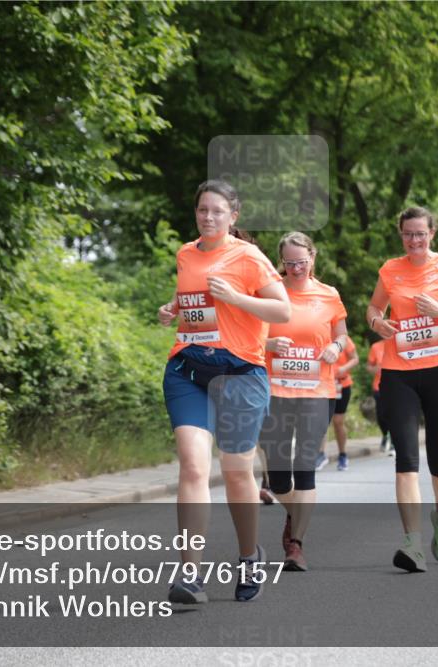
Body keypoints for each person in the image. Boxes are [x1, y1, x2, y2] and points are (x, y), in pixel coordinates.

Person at [158, 180, 291, 603]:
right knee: (193, 467)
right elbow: (191, 299)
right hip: (188, 370)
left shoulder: (248, 256)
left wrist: (236, 297)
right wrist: (172, 309)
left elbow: (282, 309)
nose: (208, 217)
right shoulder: (185, 253)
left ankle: (249, 556)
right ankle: (190, 574)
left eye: (217, 211)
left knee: (236, 473)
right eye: (203, 210)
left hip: (240, 374)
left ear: (233, 216)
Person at [367, 206, 438, 572]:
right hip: (398, 373)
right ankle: (413, 543)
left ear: (432, 233)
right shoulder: (390, 269)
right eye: (408, 234)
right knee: (405, 459)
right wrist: (377, 323)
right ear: (401, 235)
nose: (414, 240)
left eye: (420, 233)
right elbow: (374, 308)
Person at [259, 232, 348, 571]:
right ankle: (296, 514)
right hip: (275, 392)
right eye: (289, 263)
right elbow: (246, 333)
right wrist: (268, 345)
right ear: (281, 262)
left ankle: (295, 545)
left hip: (317, 392)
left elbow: (342, 334)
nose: (296, 269)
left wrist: (336, 347)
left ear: (313, 257)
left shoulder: (329, 294)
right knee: (279, 477)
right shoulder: (268, 293)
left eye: (301, 262)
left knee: (305, 465)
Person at [330, 335, 360, 470]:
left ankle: (342, 454)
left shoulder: (344, 338)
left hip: (341, 384)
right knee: (320, 421)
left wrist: (343, 368)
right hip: (322, 384)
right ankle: (319, 455)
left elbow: (355, 359)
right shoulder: (319, 331)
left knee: (338, 421)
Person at [366, 337, 392, 454]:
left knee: (395, 414)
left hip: (396, 386)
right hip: (379, 386)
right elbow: (368, 367)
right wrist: (375, 369)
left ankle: (394, 441)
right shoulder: (376, 347)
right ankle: (385, 435)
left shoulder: (398, 342)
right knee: (381, 415)